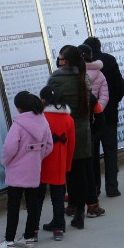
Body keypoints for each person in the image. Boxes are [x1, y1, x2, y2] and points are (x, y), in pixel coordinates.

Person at [49, 46, 104, 229]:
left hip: (62, 133)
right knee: (81, 175)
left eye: (61, 57)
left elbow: (49, 103)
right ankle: (80, 213)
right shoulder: (84, 78)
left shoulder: (57, 80)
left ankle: (61, 215)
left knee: (63, 177)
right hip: (82, 133)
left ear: (65, 61)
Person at [0, 92, 53, 248]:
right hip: (33, 169)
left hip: (17, 171)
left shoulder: (18, 124)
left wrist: (6, 162)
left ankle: (9, 241)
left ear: (20, 109)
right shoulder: (43, 121)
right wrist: (36, 158)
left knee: (13, 206)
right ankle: (29, 237)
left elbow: (9, 148)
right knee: (33, 204)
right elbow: (49, 145)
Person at [83, 37, 124, 198]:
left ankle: (95, 188)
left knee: (92, 153)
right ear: (100, 47)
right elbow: (120, 85)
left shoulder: (81, 65)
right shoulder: (109, 60)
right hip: (109, 115)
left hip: (90, 118)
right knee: (110, 151)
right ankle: (112, 188)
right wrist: (113, 102)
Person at [38, 86, 75, 241]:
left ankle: (33, 229)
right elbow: (71, 145)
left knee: (37, 198)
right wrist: (67, 165)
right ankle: (58, 228)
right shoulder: (68, 119)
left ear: (44, 100)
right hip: (59, 163)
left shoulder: (41, 117)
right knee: (58, 198)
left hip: (42, 162)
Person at [78, 44, 109, 111]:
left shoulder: (73, 72)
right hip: (93, 110)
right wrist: (96, 110)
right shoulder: (100, 75)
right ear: (91, 56)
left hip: (76, 113)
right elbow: (104, 96)